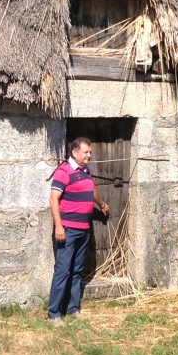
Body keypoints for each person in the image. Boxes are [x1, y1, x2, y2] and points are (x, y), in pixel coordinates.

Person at [48, 137, 109, 326]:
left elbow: (92, 191)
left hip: (83, 229)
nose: (89, 155)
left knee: (76, 270)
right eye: (86, 152)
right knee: (63, 270)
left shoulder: (85, 171)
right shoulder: (64, 171)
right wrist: (59, 226)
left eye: (90, 152)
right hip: (68, 230)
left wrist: (102, 204)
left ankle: (72, 309)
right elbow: (54, 199)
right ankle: (54, 314)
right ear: (75, 152)